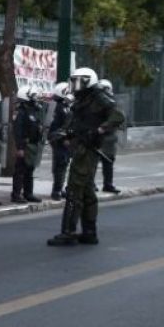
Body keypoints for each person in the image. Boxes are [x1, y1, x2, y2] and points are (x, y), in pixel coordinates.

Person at [48, 67, 124, 246]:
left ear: (88, 81)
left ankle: (68, 232)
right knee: (87, 191)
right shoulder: (82, 99)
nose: (75, 85)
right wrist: (64, 134)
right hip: (81, 146)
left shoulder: (99, 97)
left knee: (74, 190)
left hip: (87, 150)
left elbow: (118, 116)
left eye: (79, 81)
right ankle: (89, 232)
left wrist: (100, 130)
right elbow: (74, 122)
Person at [10, 86, 44, 203]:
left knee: (29, 170)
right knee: (20, 170)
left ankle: (28, 193)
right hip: (24, 145)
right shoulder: (20, 111)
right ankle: (16, 195)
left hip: (32, 145)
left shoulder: (32, 110)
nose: (35, 98)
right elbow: (17, 131)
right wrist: (20, 147)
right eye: (33, 96)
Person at [48, 82, 74, 200]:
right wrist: (64, 139)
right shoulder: (58, 108)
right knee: (60, 165)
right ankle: (56, 191)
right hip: (59, 141)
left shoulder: (64, 106)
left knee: (63, 165)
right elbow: (56, 128)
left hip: (65, 141)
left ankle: (60, 188)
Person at [98, 80, 121, 194]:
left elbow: (117, 119)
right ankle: (92, 185)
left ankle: (108, 184)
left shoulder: (112, 103)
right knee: (92, 162)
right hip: (98, 136)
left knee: (108, 162)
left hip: (109, 137)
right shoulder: (95, 103)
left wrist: (105, 127)